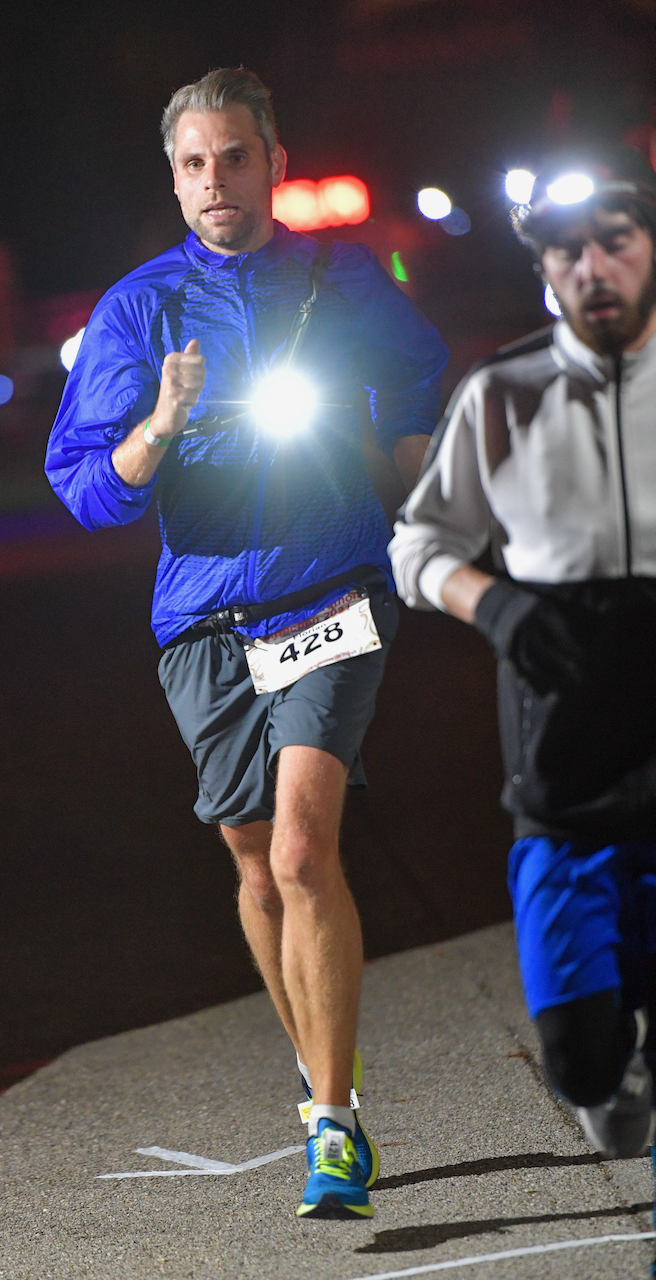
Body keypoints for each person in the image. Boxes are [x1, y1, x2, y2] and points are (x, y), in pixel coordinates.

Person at [46, 67, 447, 1220]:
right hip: (203, 617)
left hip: (325, 584)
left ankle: (331, 1123)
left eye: (232, 157)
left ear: (273, 162)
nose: (213, 180)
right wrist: (161, 423)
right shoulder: (136, 309)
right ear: (171, 179)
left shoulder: (337, 273)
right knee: (248, 854)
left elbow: (416, 365)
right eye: (191, 163)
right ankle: (329, 1071)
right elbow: (84, 489)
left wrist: (401, 452)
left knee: (301, 851)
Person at [389, 147, 656, 1182]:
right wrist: (490, 600)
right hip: (566, 785)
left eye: (613, 242)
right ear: (541, 271)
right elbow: (416, 545)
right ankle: (608, 1077)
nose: (589, 266)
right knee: (579, 1061)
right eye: (562, 253)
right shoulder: (500, 391)